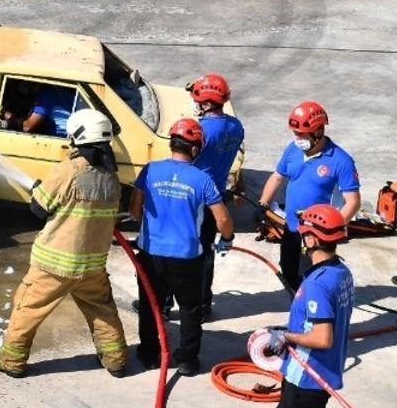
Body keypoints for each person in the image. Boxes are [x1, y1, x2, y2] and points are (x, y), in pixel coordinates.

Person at [0, 110, 127, 378]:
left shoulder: (68, 170)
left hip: (54, 265)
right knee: (102, 311)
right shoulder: (111, 177)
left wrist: (38, 189)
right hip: (92, 267)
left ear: (76, 136)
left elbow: (38, 209)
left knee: (27, 309)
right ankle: (116, 360)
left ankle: (11, 361)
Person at [254, 204, 354, 408]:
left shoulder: (317, 284)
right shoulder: (341, 272)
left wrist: (286, 336)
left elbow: (323, 337)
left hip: (308, 379)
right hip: (311, 373)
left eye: (304, 234)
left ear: (312, 239)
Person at [130, 118, 234, 376]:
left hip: (151, 253)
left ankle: (149, 353)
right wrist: (227, 239)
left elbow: (134, 210)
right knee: (190, 309)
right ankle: (187, 360)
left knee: (150, 305)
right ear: (195, 148)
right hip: (187, 258)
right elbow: (222, 219)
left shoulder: (150, 171)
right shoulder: (203, 179)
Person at [258, 101, 360, 292]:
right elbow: (278, 177)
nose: (297, 138)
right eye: (295, 133)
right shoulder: (292, 149)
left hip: (317, 236)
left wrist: (329, 232)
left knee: (312, 281)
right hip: (291, 228)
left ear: (319, 131)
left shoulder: (341, 161)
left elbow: (353, 202)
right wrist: (263, 203)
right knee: (288, 272)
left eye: (302, 134)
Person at [188, 73, 245, 321]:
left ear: (207, 102)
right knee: (206, 252)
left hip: (193, 198)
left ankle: (166, 304)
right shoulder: (236, 127)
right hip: (217, 196)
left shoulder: (200, 130)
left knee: (177, 251)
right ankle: (203, 305)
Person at [2, 82, 75, 137]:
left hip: (63, 136)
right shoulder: (52, 90)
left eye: (24, 85)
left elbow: (27, 127)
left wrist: (8, 115)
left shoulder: (46, 95)